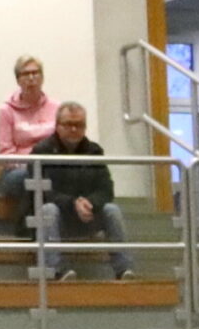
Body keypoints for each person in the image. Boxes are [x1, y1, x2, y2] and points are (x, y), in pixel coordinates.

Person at [30, 103, 131, 280]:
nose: (74, 129)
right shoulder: (41, 151)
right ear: (57, 126)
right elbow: (42, 192)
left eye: (79, 125)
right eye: (68, 124)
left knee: (112, 210)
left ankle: (123, 270)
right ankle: (57, 270)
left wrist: (90, 203)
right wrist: (73, 203)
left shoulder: (94, 151)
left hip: (87, 215)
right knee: (48, 210)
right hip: (58, 219)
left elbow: (106, 189)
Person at [0, 57, 57, 160]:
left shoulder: (57, 108)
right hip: (19, 165)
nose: (31, 78)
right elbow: (6, 152)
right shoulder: (6, 111)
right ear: (18, 80)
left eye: (35, 73)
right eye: (26, 74)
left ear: (42, 78)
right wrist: (28, 166)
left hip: (51, 164)